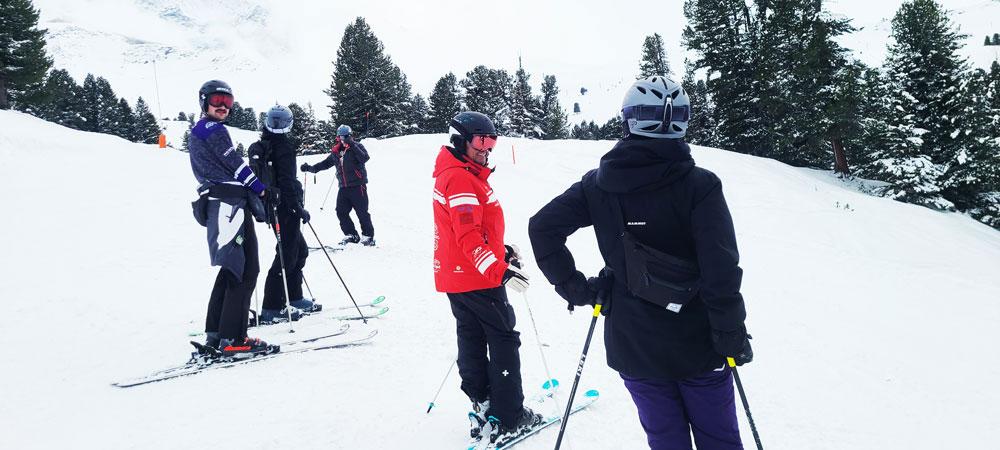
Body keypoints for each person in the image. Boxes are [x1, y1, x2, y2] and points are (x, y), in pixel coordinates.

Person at [528, 76, 754, 450]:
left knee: (666, 440)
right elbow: (721, 270)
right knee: (720, 440)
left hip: (634, 344)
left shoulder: (598, 185)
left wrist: (578, 288)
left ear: (629, 121)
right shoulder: (700, 186)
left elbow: (543, 228)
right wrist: (731, 333)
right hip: (698, 341)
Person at [432, 111, 539, 445]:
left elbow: (469, 230)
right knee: (503, 337)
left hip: (457, 274)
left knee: (472, 335)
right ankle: (509, 416)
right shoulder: (462, 178)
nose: (487, 148)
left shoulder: (459, 173)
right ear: (461, 139)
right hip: (476, 278)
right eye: (481, 141)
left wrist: (501, 251)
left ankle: (483, 400)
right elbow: (468, 236)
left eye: (492, 141)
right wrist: (499, 270)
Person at [188, 80, 273, 357]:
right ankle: (233, 338)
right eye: (217, 101)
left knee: (232, 267)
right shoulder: (212, 129)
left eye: (228, 102)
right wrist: (261, 189)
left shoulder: (203, 129)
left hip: (225, 203)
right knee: (245, 269)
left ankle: (217, 333)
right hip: (229, 204)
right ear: (204, 102)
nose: (223, 107)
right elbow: (235, 163)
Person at [250, 105, 321, 325]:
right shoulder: (283, 147)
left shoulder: (262, 146)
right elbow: (288, 182)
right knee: (286, 256)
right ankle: (272, 307)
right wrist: (298, 208)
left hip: (273, 207)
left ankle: (295, 297)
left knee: (298, 251)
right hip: (285, 208)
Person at [300, 125, 375, 246]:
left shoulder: (357, 147)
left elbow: (365, 158)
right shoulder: (336, 152)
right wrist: (310, 168)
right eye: (340, 136)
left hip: (358, 185)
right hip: (344, 187)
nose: (343, 139)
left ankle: (368, 236)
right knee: (341, 211)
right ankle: (351, 235)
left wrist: (353, 145)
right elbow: (325, 164)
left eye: (345, 136)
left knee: (362, 212)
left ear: (350, 136)